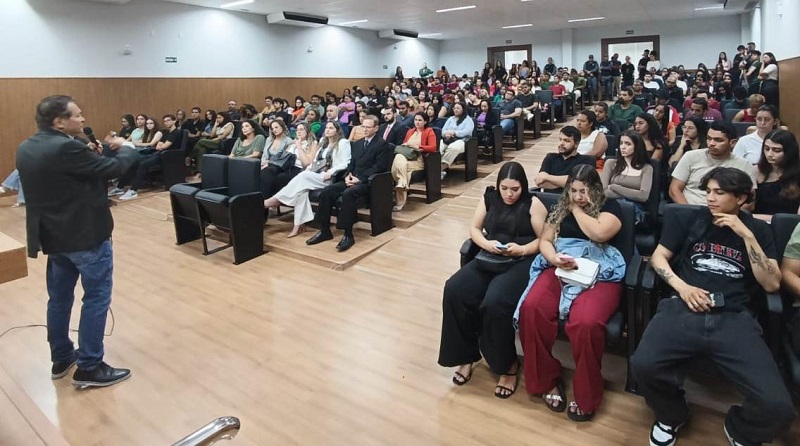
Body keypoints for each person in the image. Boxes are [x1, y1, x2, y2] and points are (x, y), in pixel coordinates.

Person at [631, 167, 795, 446]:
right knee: (642, 366)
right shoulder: (690, 219)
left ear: (742, 197)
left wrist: (747, 236)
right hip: (683, 307)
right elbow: (658, 258)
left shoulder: (758, 230)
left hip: (733, 317)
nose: (710, 198)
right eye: (708, 191)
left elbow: (771, 284)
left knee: (778, 406)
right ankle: (672, 414)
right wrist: (683, 288)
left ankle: (740, 428)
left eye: (719, 192)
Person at [16, 95, 136, 387]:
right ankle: (90, 366)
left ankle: (61, 357)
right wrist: (127, 149)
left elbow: (68, 178)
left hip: (54, 238)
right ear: (59, 121)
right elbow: (115, 169)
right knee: (96, 299)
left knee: (59, 299)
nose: (83, 120)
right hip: (85, 235)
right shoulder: (67, 148)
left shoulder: (27, 147)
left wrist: (87, 153)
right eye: (77, 115)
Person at [517, 165, 626, 422]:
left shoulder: (612, 206)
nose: (577, 196)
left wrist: (576, 209)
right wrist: (553, 258)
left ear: (595, 189)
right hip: (562, 265)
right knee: (532, 309)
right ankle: (546, 380)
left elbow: (598, 232)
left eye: (583, 191)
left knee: (586, 322)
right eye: (573, 191)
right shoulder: (559, 208)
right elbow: (545, 240)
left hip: (599, 270)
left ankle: (587, 394)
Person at [438, 162, 546, 398]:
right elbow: (475, 228)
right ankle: (465, 354)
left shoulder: (533, 203)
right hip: (491, 255)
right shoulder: (489, 198)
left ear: (523, 186)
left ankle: (507, 365)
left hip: (521, 259)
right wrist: (486, 244)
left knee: (495, 301)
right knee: (454, 289)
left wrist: (523, 249)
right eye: (504, 188)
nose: (508, 194)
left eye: (515, 189)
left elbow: (545, 239)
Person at [306, 115, 390, 252]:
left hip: (369, 182)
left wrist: (360, 179)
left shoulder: (382, 144)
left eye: (368, 127)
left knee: (348, 194)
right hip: (352, 178)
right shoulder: (357, 143)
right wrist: (348, 175)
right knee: (328, 191)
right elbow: (351, 163)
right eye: (363, 126)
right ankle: (324, 229)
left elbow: (379, 167)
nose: (365, 129)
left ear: (376, 128)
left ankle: (348, 234)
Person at [264, 122, 351, 237]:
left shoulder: (343, 143)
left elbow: (346, 162)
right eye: (326, 128)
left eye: (331, 128)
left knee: (302, 177)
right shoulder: (323, 143)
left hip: (331, 177)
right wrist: (308, 170)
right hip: (317, 174)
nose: (327, 130)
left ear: (337, 130)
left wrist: (331, 171)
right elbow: (315, 162)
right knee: (302, 191)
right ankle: (299, 226)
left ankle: (274, 200)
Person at [670, 121, 756, 207]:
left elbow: (750, 201)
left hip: (727, 215)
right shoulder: (690, 156)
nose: (711, 143)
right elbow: (674, 189)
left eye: (718, 140)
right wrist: (688, 211)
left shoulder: (744, 165)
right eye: (709, 138)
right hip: (691, 211)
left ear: (732, 143)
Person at [600, 130, 654, 224]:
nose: (623, 147)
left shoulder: (647, 168)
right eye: (621, 143)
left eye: (628, 144)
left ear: (637, 147)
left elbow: (643, 196)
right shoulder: (611, 163)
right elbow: (602, 191)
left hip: (633, 209)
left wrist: (614, 187)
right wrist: (629, 195)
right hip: (611, 205)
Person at [390, 112, 437, 212]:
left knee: (400, 170)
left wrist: (419, 147)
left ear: (425, 121)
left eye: (420, 120)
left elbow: (433, 148)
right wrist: (406, 144)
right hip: (405, 157)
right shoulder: (410, 131)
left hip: (418, 160)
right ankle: (402, 183)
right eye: (416, 120)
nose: (417, 122)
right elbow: (404, 144)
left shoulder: (429, 131)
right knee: (399, 156)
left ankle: (400, 202)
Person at [754, 130, 800, 221]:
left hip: (788, 225)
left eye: (777, 150)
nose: (769, 154)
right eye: (766, 149)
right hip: (758, 224)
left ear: (789, 152)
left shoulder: (797, 174)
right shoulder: (755, 170)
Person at [533, 126, 595, 193]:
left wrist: (547, 177)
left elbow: (579, 184)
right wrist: (566, 182)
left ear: (576, 144)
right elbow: (540, 182)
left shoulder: (586, 160)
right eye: (560, 139)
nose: (561, 143)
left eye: (566, 141)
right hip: (549, 199)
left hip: (573, 201)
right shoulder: (550, 157)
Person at [439, 103, 475, 180]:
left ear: (463, 109)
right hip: (448, 139)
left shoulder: (468, 120)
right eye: (454, 108)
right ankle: (439, 170)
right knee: (439, 146)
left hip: (462, 140)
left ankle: (440, 168)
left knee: (453, 148)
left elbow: (467, 132)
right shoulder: (450, 119)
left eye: (458, 108)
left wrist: (455, 133)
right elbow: (443, 130)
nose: (455, 110)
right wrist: (446, 134)